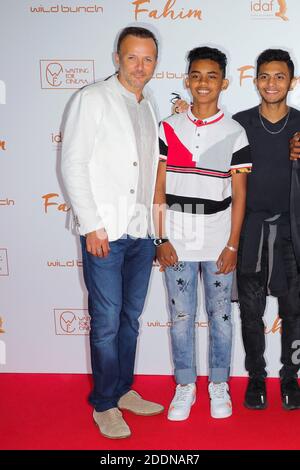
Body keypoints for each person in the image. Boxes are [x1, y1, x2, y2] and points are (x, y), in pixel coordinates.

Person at [61, 26, 164, 440]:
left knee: (130, 319)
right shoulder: (92, 98)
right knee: (105, 321)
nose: (140, 66)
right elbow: (73, 164)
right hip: (104, 231)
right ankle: (104, 404)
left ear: (156, 62)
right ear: (117, 58)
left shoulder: (148, 104)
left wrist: (155, 229)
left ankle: (122, 390)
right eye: (132, 57)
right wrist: (91, 225)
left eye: (148, 59)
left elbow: (148, 169)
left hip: (139, 230)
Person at [154, 47, 251, 421]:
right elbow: (158, 191)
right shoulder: (168, 127)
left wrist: (232, 245)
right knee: (181, 316)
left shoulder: (235, 133)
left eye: (212, 76)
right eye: (196, 75)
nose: (203, 82)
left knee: (221, 316)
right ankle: (185, 385)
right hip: (176, 239)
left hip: (217, 242)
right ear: (186, 80)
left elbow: (240, 196)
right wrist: (160, 239)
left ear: (224, 82)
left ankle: (218, 383)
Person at [233, 49, 300, 410]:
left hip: (292, 235)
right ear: (255, 80)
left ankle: (291, 379)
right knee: (251, 313)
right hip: (251, 233)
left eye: (279, 76)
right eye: (264, 76)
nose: (271, 83)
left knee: (293, 313)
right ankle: (256, 379)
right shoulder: (238, 123)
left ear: (292, 81)